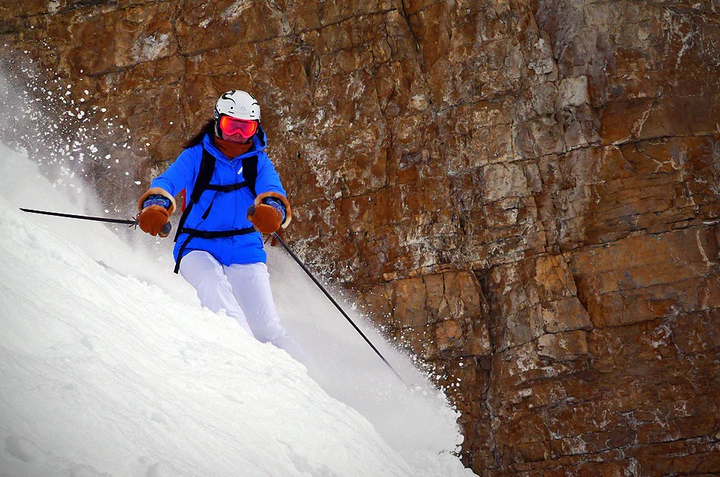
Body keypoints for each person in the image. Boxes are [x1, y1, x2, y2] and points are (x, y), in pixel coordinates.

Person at [135, 90, 304, 362]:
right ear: (217, 121)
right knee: (215, 288)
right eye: (231, 126)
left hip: (244, 247)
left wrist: (272, 211)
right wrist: (156, 206)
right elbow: (167, 182)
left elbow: (273, 191)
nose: (237, 135)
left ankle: (311, 386)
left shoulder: (258, 162)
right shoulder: (196, 156)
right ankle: (246, 364)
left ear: (255, 128)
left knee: (267, 327)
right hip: (197, 244)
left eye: (245, 128)